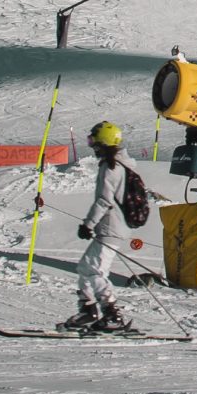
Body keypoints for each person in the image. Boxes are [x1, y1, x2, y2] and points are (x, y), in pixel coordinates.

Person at [65, 122, 141, 332]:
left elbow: (104, 201)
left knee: (94, 270)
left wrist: (88, 224)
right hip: (113, 226)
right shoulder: (120, 164)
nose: (92, 145)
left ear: (103, 141)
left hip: (111, 227)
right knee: (85, 268)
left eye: (94, 140)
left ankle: (112, 314)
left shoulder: (112, 167)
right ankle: (88, 311)